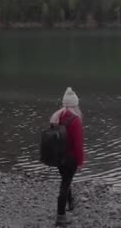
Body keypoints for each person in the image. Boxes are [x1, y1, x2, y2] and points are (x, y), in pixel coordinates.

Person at [49, 87, 85, 227]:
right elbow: (78, 144)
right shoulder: (75, 119)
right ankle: (60, 216)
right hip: (70, 158)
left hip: (58, 157)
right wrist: (81, 161)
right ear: (75, 104)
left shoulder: (56, 117)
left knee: (65, 178)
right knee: (65, 183)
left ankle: (71, 203)